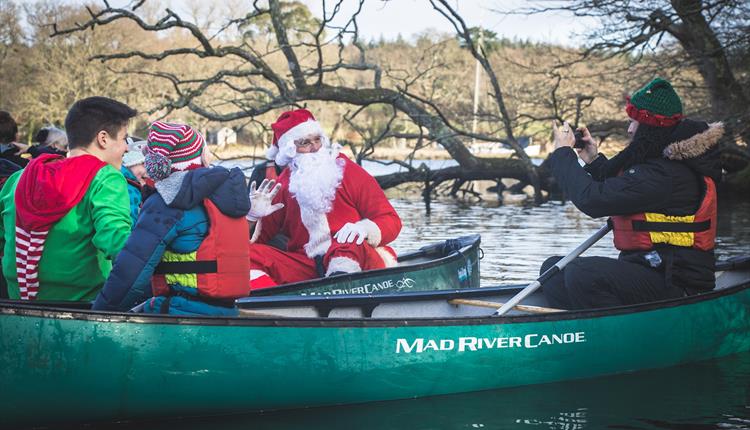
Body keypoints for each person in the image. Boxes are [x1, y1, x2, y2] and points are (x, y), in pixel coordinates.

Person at [542, 77, 723, 310]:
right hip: (649, 268)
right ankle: (573, 334)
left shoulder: (664, 175)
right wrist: (593, 160)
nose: (629, 129)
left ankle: (612, 338)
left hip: (677, 283)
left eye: (633, 122)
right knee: (553, 271)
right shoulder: (658, 167)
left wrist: (563, 154)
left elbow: (592, 200)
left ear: (649, 127)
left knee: (582, 273)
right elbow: (624, 187)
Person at [93, 121, 251, 315]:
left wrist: (99, 314)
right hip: (227, 312)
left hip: (179, 315)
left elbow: (130, 272)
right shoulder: (225, 194)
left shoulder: (165, 205)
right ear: (202, 156)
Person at [247, 109, 402, 288]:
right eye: (305, 142)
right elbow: (256, 240)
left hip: (358, 256)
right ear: (289, 150)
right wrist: (252, 217)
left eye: (317, 139)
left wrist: (364, 229)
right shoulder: (282, 185)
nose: (314, 147)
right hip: (308, 265)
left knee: (347, 242)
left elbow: (391, 220)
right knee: (246, 255)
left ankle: (338, 291)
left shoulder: (348, 171)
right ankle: (270, 302)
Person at [0, 97, 135, 301]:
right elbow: (117, 241)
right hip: (81, 314)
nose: (127, 148)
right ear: (103, 138)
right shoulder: (105, 178)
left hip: (17, 309)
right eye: (124, 138)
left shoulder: (18, 179)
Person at [120, 139, 149, 227]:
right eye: (143, 164)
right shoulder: (125, 188)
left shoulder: (133, 184)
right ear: (129, 162)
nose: (147, 172)